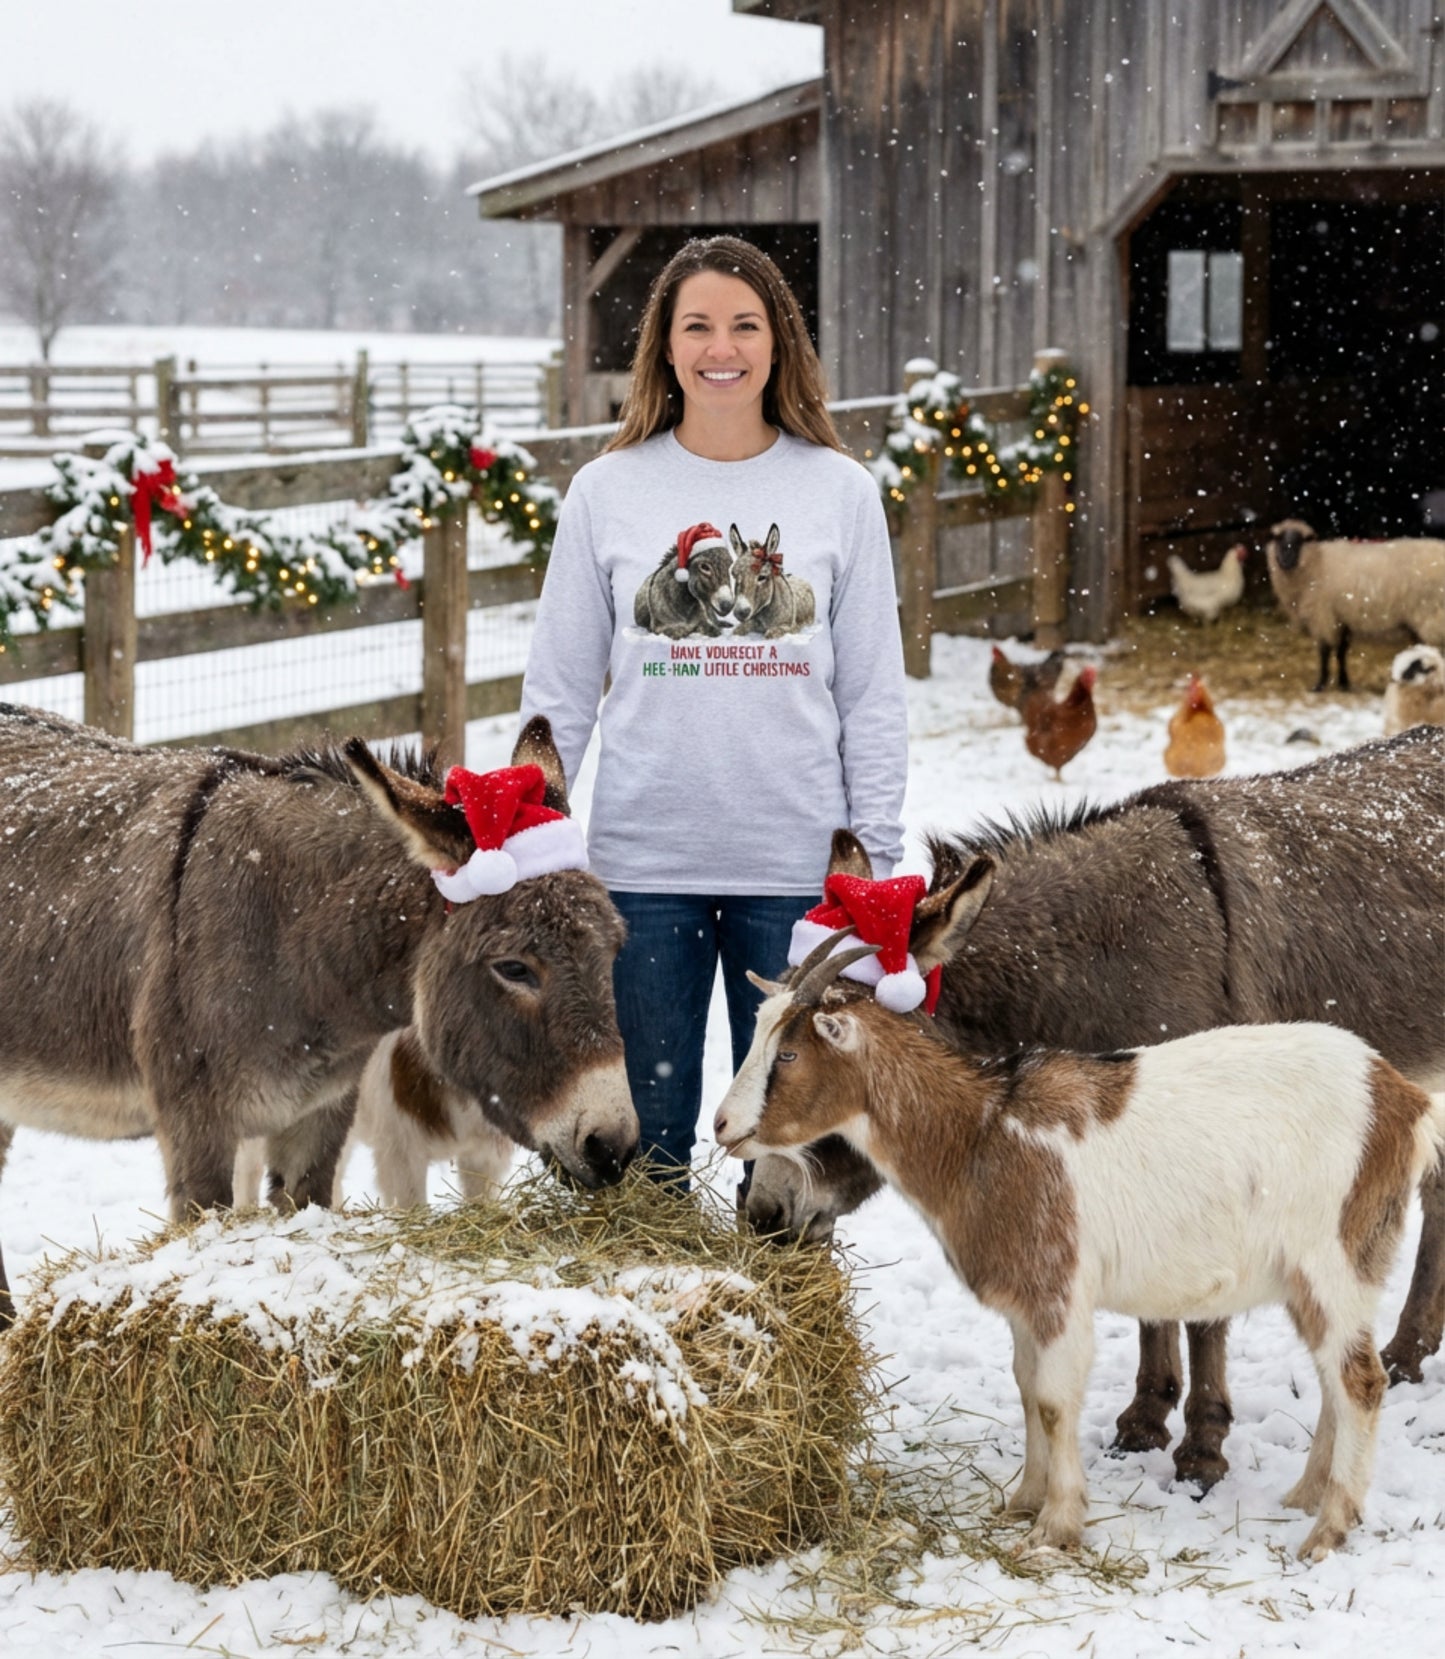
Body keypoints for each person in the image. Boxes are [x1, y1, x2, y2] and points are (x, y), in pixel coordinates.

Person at [519, 235, 908, 1178]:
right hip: (642, 870)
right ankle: (646, 1308)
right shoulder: (607, 492)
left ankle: (780, 1312)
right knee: (638, 1138)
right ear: (664, 344)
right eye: (696, 324)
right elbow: (560, 687)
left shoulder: (838, 491)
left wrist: (877, 860)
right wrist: (528, 836)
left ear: (778, 344)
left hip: (798, 873)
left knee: (788, 1146)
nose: (720, 345)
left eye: (744, 324)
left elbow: (872, 693)